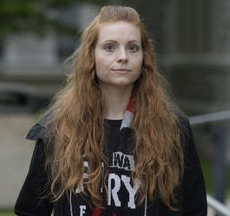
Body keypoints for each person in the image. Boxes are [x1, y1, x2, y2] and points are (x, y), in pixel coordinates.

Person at [14, 5, 207, 216]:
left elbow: (194, 210)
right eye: (110, 47)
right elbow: (29, 210)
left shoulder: (173, 128)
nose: (123, 56)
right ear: (91, 56)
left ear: (144, 58)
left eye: (133, 47)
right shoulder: (57, 128)